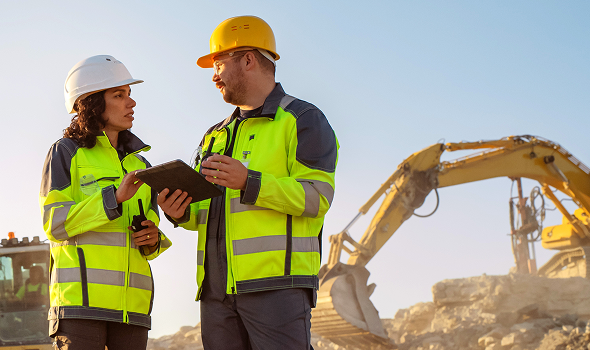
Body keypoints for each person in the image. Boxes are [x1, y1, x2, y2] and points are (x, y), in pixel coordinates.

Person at [158, 16, 338, 350]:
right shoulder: (214, 135)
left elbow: (317, 198)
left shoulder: (302, 120)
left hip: (277, 289)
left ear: (249, 59)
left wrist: (248, 182)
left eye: (219, 64)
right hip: (216, 294)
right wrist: (179, 212)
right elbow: (206, 214)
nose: (214, 76)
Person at [40, 55, 171, 350]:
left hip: (133, 313)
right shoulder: (65, 153)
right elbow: (55, 223)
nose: (131, 103)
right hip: (80, 310)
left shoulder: (141, 164)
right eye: (119, 95)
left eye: (130, 94)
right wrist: (112, 198)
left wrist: (153, 238)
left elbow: (148, 240)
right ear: (92, 102)